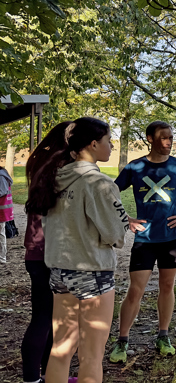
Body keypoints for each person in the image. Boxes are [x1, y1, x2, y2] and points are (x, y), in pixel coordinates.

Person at [27, 117, 142, 383]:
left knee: (61, 349)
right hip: (92, 272)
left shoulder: (53, 178)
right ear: (92, 144)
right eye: (108, 141)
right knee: (91, 356)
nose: (111, 146)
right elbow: (114, 233)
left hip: (58, 272)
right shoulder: (99, 184)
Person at [109, 121, 176, 363]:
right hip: (144, 238)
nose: (168, 142)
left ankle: (163, 336)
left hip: (171, 238)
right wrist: (126, 219)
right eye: (163, 137)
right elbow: (110, 193)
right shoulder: (136, 167)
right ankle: (122, 340)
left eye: (171, 137)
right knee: (136, 290)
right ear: (149, 139)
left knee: (167, 287)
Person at [21, 121, 69, 383]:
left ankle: (47, 376)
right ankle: (32, 378)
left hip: (36, 250)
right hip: (51, 251)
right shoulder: (62, 165)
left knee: (47, 315)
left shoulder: (41, 160)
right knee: (44, 317)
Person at [0, 165, 12, 264]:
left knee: (1, 234)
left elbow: (2, 191)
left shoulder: (1, 176)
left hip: (1, 211)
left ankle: (2, 257)